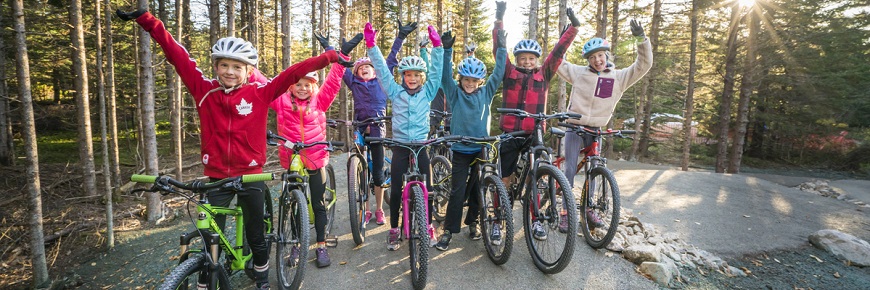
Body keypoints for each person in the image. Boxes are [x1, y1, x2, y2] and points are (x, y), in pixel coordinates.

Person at [116, 9, 342, 290]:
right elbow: (177, 55)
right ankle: (206, 279)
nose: (230, 72)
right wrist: (148, 21)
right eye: (224, 65)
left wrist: (329, 58)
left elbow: (290, 75)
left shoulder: (259, 93)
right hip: (217, 177)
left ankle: (261, 277)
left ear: (249, 71)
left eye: (237, 67)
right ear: (216, 67)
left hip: (251, 176)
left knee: (256, 235)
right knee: (211, 234)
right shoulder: (204, 90)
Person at [250, 33, 360, 268]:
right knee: (291, 203)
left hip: (316, 156)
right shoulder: (279, 101)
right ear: (290, 85)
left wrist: (342, 58)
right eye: (297, 84)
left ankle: (320, 245)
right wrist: (248, 67)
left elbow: (333, 81)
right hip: (291, 158)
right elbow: (261, 81)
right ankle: (297, 244)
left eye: (306, 85)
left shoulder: (320, 101)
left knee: (318, 203)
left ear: (313, 87)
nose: (301, 89)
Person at [492, 1, 580, 241]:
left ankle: (535, 219)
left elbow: (558, 53)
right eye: (523, 58)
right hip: (510, 132)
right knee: (505, 177)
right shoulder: (509, 73)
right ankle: (498, 220)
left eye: (531, 59)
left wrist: (573, 28)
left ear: (537, 60)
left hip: (535, 133)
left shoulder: (545, 74)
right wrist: (499, 18)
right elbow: (498, 50)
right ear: (517, 60)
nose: (527, 62)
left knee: (535, 177)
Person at [556, 19, 652, 229]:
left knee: (595, 168)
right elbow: (557, 62)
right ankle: (564, 212)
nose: (597, 60)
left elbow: (643, 65)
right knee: (570, 169)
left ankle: (588, 209)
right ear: (588, 60)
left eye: (600, 55)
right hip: (574, 127)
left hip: (595, 129)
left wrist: (641, 40)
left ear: (606, 55)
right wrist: (563, 40)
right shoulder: (579, 73)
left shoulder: (618, 77)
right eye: (592, 57)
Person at [363, 22, 443, 251]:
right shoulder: (395, 91)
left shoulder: (428, 92)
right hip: (399, 146)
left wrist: (437, 47)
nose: (412, 78)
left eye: (417, 75)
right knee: (396, 188)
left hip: (421, 146)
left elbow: (437, 72)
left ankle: (427, 225)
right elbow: (380, 68)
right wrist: (371, 45)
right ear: (403, 76)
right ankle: (395, 228)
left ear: (422, 77)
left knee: (427, 188)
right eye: (408, 74)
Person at [435, 29, 508, 251]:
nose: (470, 83)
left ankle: (473, 222)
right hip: (460, 149)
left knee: (479, 189)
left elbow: (499, 73)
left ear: (480, 81)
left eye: (474, 80)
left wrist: (502, 48)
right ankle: (449, 230)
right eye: (466, 80)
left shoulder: (486, 93)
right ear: (461, 80)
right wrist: (447, 50)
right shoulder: (455, 93)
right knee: (457, 191)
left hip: (482, 149)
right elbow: (445, 77)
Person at [342, 20, 418, 226]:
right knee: (361, 172)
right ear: (356, 73)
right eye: (361, 68)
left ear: (376, 71)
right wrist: (336, 51)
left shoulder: (381, 82)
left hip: (378, 130)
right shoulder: (354, 82)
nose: (365, 69)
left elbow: (391, 60)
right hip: (360, 130)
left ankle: (377, 210)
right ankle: (365, 209)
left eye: (369, 67)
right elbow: (339, 67)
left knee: (377, 174)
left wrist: (400, 37)